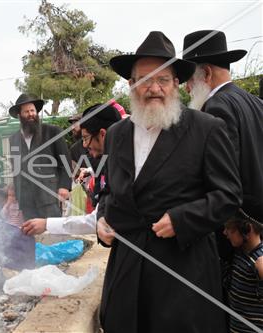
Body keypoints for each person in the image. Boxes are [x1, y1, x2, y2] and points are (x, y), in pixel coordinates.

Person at [97, 31, 241, 333]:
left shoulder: (206, 128)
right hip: (126, 272)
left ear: (176, 84)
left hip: (183, 276)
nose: (154, 88)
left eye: (163, 80)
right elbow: (109, 192)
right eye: (144, 80)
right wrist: (101, 220)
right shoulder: (115, 135)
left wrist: (182, 218)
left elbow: (228, 195)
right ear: (130, 85)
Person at [182, 30, 263, 268]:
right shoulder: (256, 102)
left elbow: (222, 178)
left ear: (206, 73)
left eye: (189, 79)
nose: (187, 88)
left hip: (236, 234)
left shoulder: (216, 106)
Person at [21, 103, 122, 236]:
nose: (84, 145)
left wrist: (47, 224)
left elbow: (97, 219)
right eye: (25, 112)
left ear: (103, 134)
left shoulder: (122, 168)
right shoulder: (109, 164)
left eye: (86, 138)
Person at [8, 94, 71, 220]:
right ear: (20, 116)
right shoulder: (13, 139)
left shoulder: (53, 132)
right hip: (26, 199)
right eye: (26, 111)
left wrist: (64, 186)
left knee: (53, 232)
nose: (31, 114)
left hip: (49, 195)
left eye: (33, 110)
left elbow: (65, 161)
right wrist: (13, 193)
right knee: (31, 233)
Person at [223, 204, 263, 333]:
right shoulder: (240, 254)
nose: (225, 233)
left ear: (246, 229)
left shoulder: (260, 261)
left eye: (229, 228)